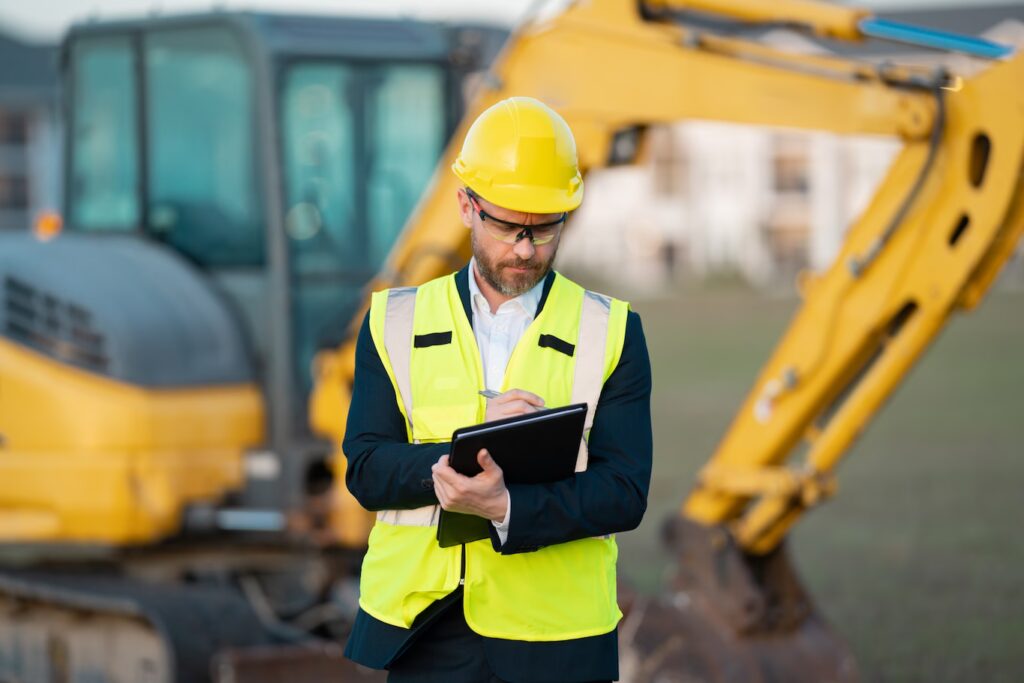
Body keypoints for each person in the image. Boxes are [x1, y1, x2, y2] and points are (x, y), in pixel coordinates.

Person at [342, 96, 652, 683]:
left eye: (545, 228)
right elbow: (366, 468)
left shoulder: (612, 331)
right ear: (466, 206)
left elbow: (624, 491)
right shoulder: (392, 321)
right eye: (508, 227)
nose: (526, 249)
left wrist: (508, 508)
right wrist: (459, 459)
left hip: (557, 636)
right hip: (424, 631)